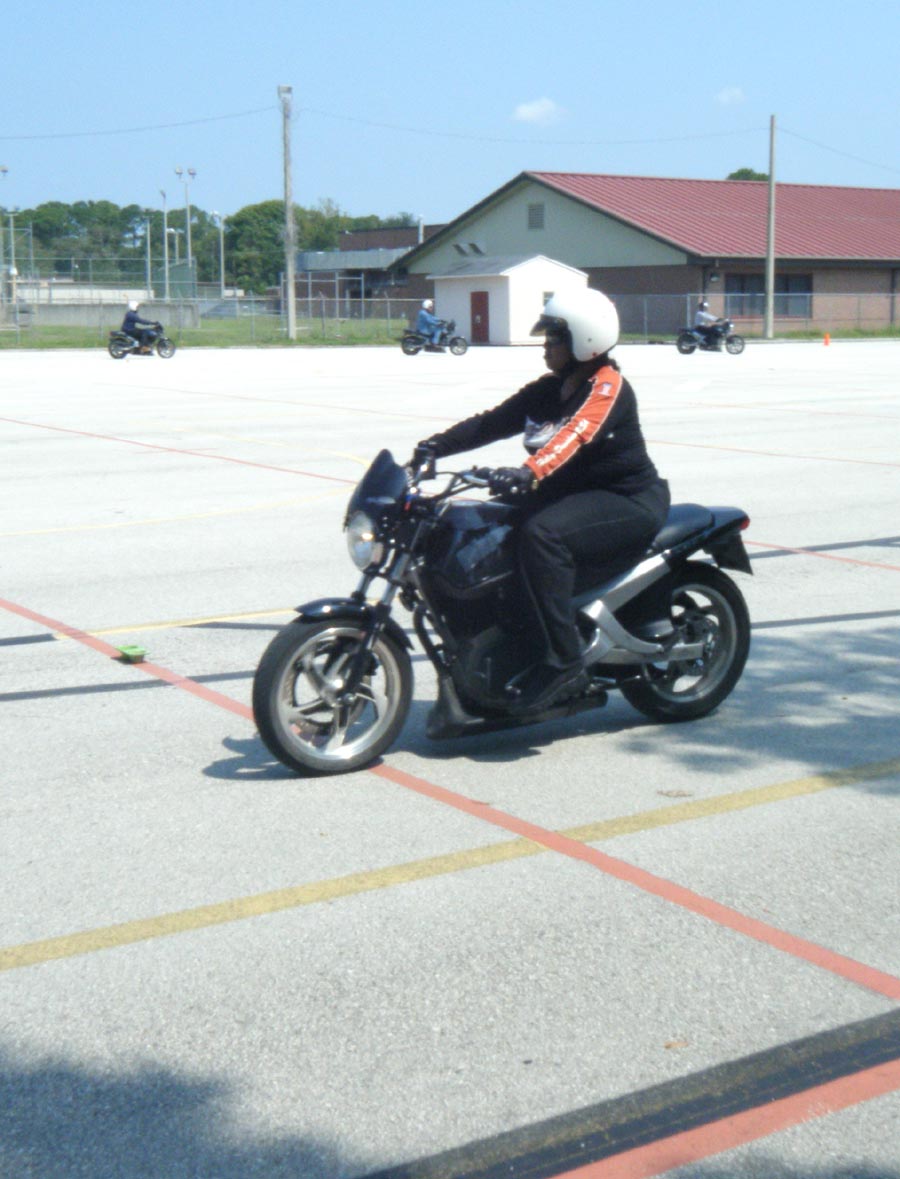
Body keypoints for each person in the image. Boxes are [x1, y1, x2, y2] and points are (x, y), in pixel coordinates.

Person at [409, 288, 670, 713]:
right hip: (570, 495)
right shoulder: (550, 389)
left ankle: (564, 662)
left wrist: (527, 473)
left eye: (553, 338)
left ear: (584, 340)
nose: (544, 346)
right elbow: (491, 422)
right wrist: (434, 447)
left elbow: (575, 435)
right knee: (478, 525)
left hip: (624, 500)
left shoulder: (607, 388)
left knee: (541, 535)